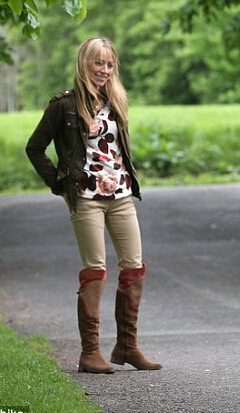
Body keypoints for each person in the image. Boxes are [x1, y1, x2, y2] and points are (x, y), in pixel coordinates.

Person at [26, 37, 162, 373]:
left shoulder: (116, 100)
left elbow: (117, 150)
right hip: (86, 199)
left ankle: (127, 347)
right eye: (97, 63)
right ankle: (90, 353)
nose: (103, 70)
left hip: (121, 196)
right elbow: (35, 148)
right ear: (84, 64)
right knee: (95, 269)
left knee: (134, 267)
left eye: (109, 64)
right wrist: (59, 184)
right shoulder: (64, 105)